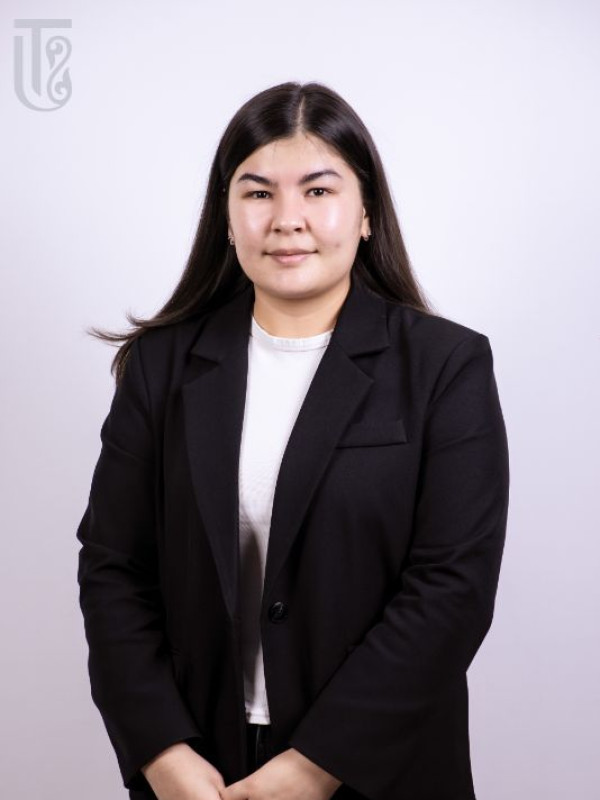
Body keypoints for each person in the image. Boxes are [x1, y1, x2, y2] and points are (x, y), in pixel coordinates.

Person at [76, 80, 510, 800]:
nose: (287, 219)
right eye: (257, 193)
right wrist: (161, 751)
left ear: (366, 213)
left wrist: (314, 767)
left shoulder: (445, 366)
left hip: (377, 769)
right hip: (200, 767)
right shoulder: (163, 366)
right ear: (226, 216)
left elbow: (452, 591)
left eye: (318, 190)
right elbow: (113, 568)